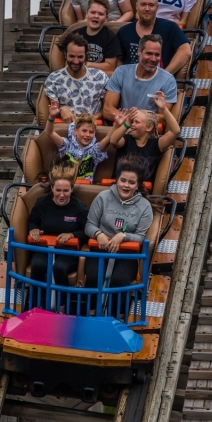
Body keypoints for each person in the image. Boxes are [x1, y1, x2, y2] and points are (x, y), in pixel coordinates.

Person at [84, 159, 154, 310]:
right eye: (123, 180)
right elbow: (89, 225)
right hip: (100, 250)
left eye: (131, 182)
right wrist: (98, 234)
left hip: (125, 255)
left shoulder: (144, 207)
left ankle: (117, 315)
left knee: (119, 280)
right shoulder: (103, 197)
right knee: (95, 277)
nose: (126, 185)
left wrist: (123, 236)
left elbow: (141, 237)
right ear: (116, 180)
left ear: (137, 185)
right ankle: (88, 312)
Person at [27, 165, 88, 304]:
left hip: (68, 250)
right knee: (37, 265)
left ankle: (62, 306)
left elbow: (86, 231)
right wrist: (34, 229)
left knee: (59, 268)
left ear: (71, 189)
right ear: (52, 188)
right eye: (58, 190)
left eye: (66, 191)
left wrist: (72, 234)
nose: (62, 195)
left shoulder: (79, 208)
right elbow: (32, 222)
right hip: (45, 247)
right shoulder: (42, 203)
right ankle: (35, 303)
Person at [117, 0, 192, 75]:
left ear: (157, 7)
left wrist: (164, 76)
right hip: (131, 81)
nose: (147, 9)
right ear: (136, 6)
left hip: (161, 83)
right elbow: (118, 59)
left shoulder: (170, 27)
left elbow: (185, 51)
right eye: (143, 4)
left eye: (151, 5)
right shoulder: (124, 31)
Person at [110, 93, 181, 183]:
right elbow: (113, 141)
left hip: (141, 190)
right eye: (132, 121)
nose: (132, 124)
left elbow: (175, 131)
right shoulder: (127, 139)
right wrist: (126, 123)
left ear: (149, 127)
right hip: (119, 185)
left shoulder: (156, 144)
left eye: (136, 122)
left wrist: (163, 108)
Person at [103, 35, 178, 119]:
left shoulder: (168, 80)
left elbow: (164, 118)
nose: (153, 59)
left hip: (148, 130)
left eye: (157, 55)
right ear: (139, 52)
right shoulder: (121, 72)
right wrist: (132, 121)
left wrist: (134, 120)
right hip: (121, 127)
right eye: (149, 53)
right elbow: (107, 110)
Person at [44, 34, 109, 121]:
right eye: (72, 56)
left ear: (86, 56)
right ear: (65, 55)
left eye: (80, 57)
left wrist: (92, 118)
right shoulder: (53, 79)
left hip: (94, 127)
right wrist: (61, 110)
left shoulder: (100, 77)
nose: (76, 61)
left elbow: (107, 108)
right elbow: (54, 109)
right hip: (66, 127)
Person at [44, 108, 110, 183]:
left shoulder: (95, 150)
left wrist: (117, 125)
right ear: (75, 131)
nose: (87, 135)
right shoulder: (66, 145)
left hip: (85, 188)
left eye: (91, 132)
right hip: (65, 186)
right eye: (84, 131)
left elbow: (109, 138)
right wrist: (52, 116)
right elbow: (49, 132)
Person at [67, 0, 121, 70]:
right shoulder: (75, 34)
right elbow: (67, 60)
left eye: (101, 14)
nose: (96, 16)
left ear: (106, 18)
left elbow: (110, 66)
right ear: (86, 14)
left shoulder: (111, 38)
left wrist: (86, 64)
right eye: (92, 12)